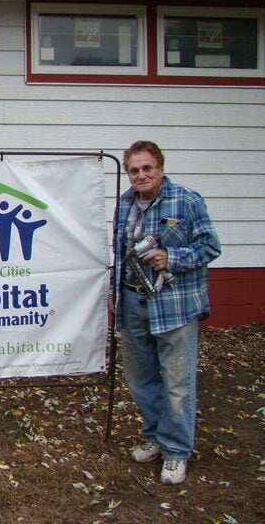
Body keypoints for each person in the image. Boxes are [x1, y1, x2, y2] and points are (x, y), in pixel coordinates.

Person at [109, 140, 220, 485]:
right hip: (133, 301)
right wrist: (114, 291)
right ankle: (155, 436)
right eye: (134, 170)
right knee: (141, 378)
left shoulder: (186, 200)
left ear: (160, 168)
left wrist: (171, 258)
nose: (141, 175)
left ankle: (176, 451)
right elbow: (119, 252)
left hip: (174, 305)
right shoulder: (125, 204)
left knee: (176, 382)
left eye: (147, 168)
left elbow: (210, 246)